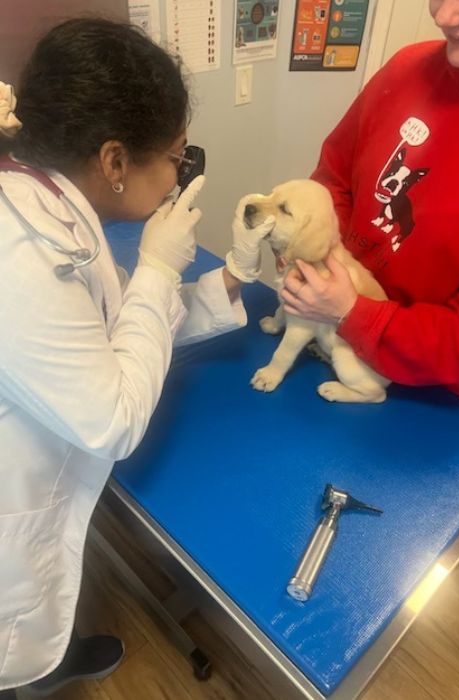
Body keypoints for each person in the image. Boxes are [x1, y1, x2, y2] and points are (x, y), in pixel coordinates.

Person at [0, 17, 273, 697]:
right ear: (116, 161)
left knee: (38, 624)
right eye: (179, 156)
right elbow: (112, 419)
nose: (183, 173)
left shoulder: (50, 206)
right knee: (13, 645)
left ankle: (49, 656)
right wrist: (155, 267)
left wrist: (227, 280)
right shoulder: (20, 256)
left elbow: (118, 329)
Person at [282, 0, 459, 392]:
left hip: (418, 380)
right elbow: (335, 176)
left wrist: (353, 312)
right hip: (326, 333)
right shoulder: (407, 68)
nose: (444, 15)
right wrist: (313, 252)